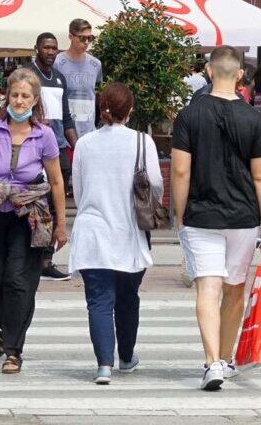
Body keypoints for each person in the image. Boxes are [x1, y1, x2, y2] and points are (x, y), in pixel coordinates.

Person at [171, 45, 261, 391]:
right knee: (234, 289)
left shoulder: (189, 115)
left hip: (201, 214)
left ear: (209, 71)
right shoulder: (255, 119)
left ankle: (211, 361)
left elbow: (181, 172)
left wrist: (179, 214)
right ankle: (226, 359)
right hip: (244, 217)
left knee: (207, 287)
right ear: (241, 75)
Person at [0, 68, 67, 374]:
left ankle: (13, 350)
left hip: (27, 217)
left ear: (35, 100)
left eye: (26, 96)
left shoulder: (43, 134)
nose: (19, 102)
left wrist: (61, 224)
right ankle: (6, 330)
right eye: (15, 95)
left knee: (19, 282)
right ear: (6, 96)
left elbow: (57, 182)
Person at [68, 83, 161, 384]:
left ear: (101, 107)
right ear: (130, 110)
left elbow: (79, 191)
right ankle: (126, 356)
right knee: (127, 296)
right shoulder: (142, 142)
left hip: (93, 230)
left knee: (98, 300)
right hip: (130, 230)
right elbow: (156, 185)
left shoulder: (84, 143)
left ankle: (103, 365)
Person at [28, 32, 78, 281]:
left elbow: (66, 117)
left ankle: (46, 260)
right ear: (36, 48)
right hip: (34, 148)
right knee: (37, 205)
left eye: (54, 48)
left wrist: (77, 148)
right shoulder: (28, 75)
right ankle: (32, 257)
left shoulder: (59, 78)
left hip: (58, 148)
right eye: (46, 47)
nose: (50, 52)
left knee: (56, 206)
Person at [56, 18, 102, 136]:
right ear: (71, 37)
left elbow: (97, 94)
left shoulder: (96, 64)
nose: (86, 42)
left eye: (90, 38)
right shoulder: (57, 62)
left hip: (89, 132)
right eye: (82, 38)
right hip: (64, 132)